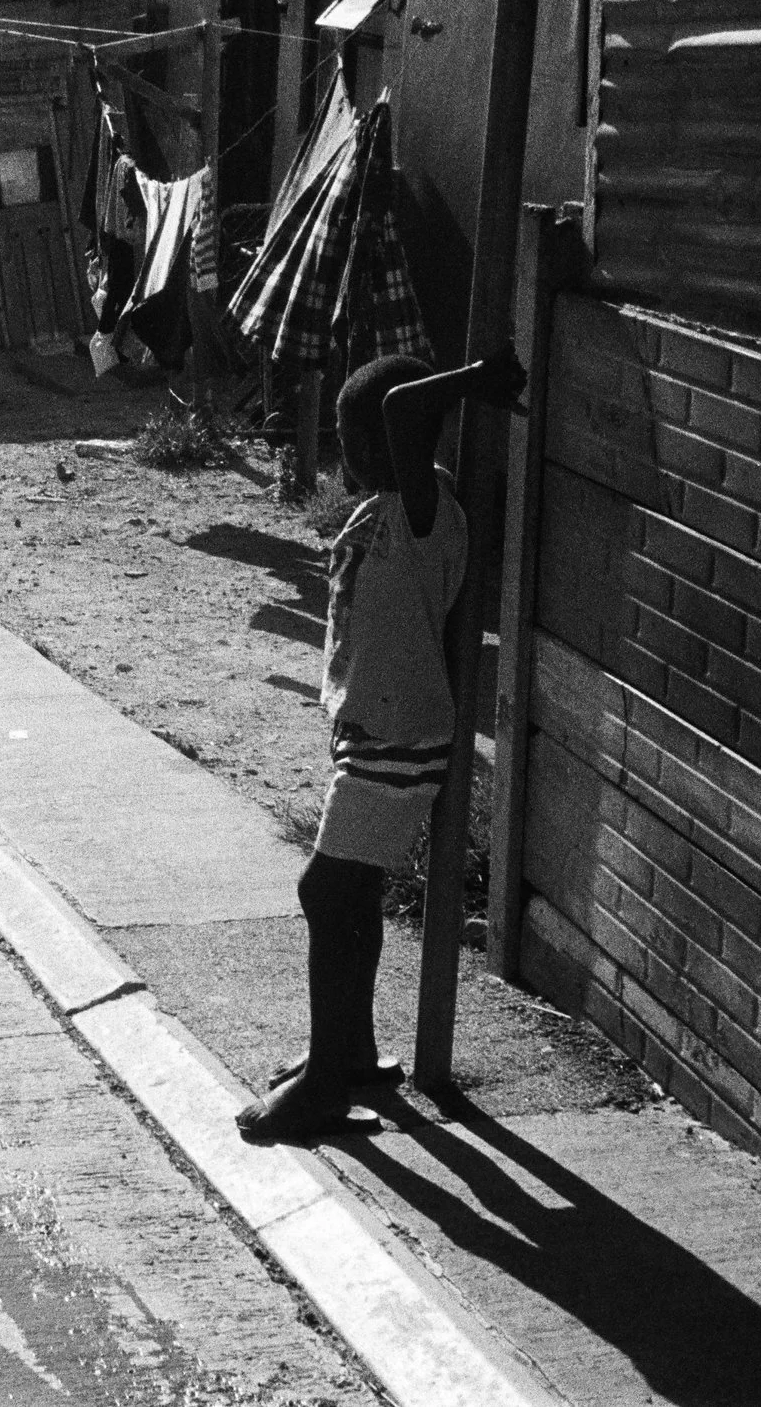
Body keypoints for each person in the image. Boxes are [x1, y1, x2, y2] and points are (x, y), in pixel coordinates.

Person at [235, 348, 524, 1142]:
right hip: (377, 734)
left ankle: (329, 1082)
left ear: (403, 437)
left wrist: (470, 381)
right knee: (347, 894)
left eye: (355, 438)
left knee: (324, 894)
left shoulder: (424, 510)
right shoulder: (396, 511)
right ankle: (350, 1054)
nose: (348, 454)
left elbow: (401, 415)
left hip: (398, 743)